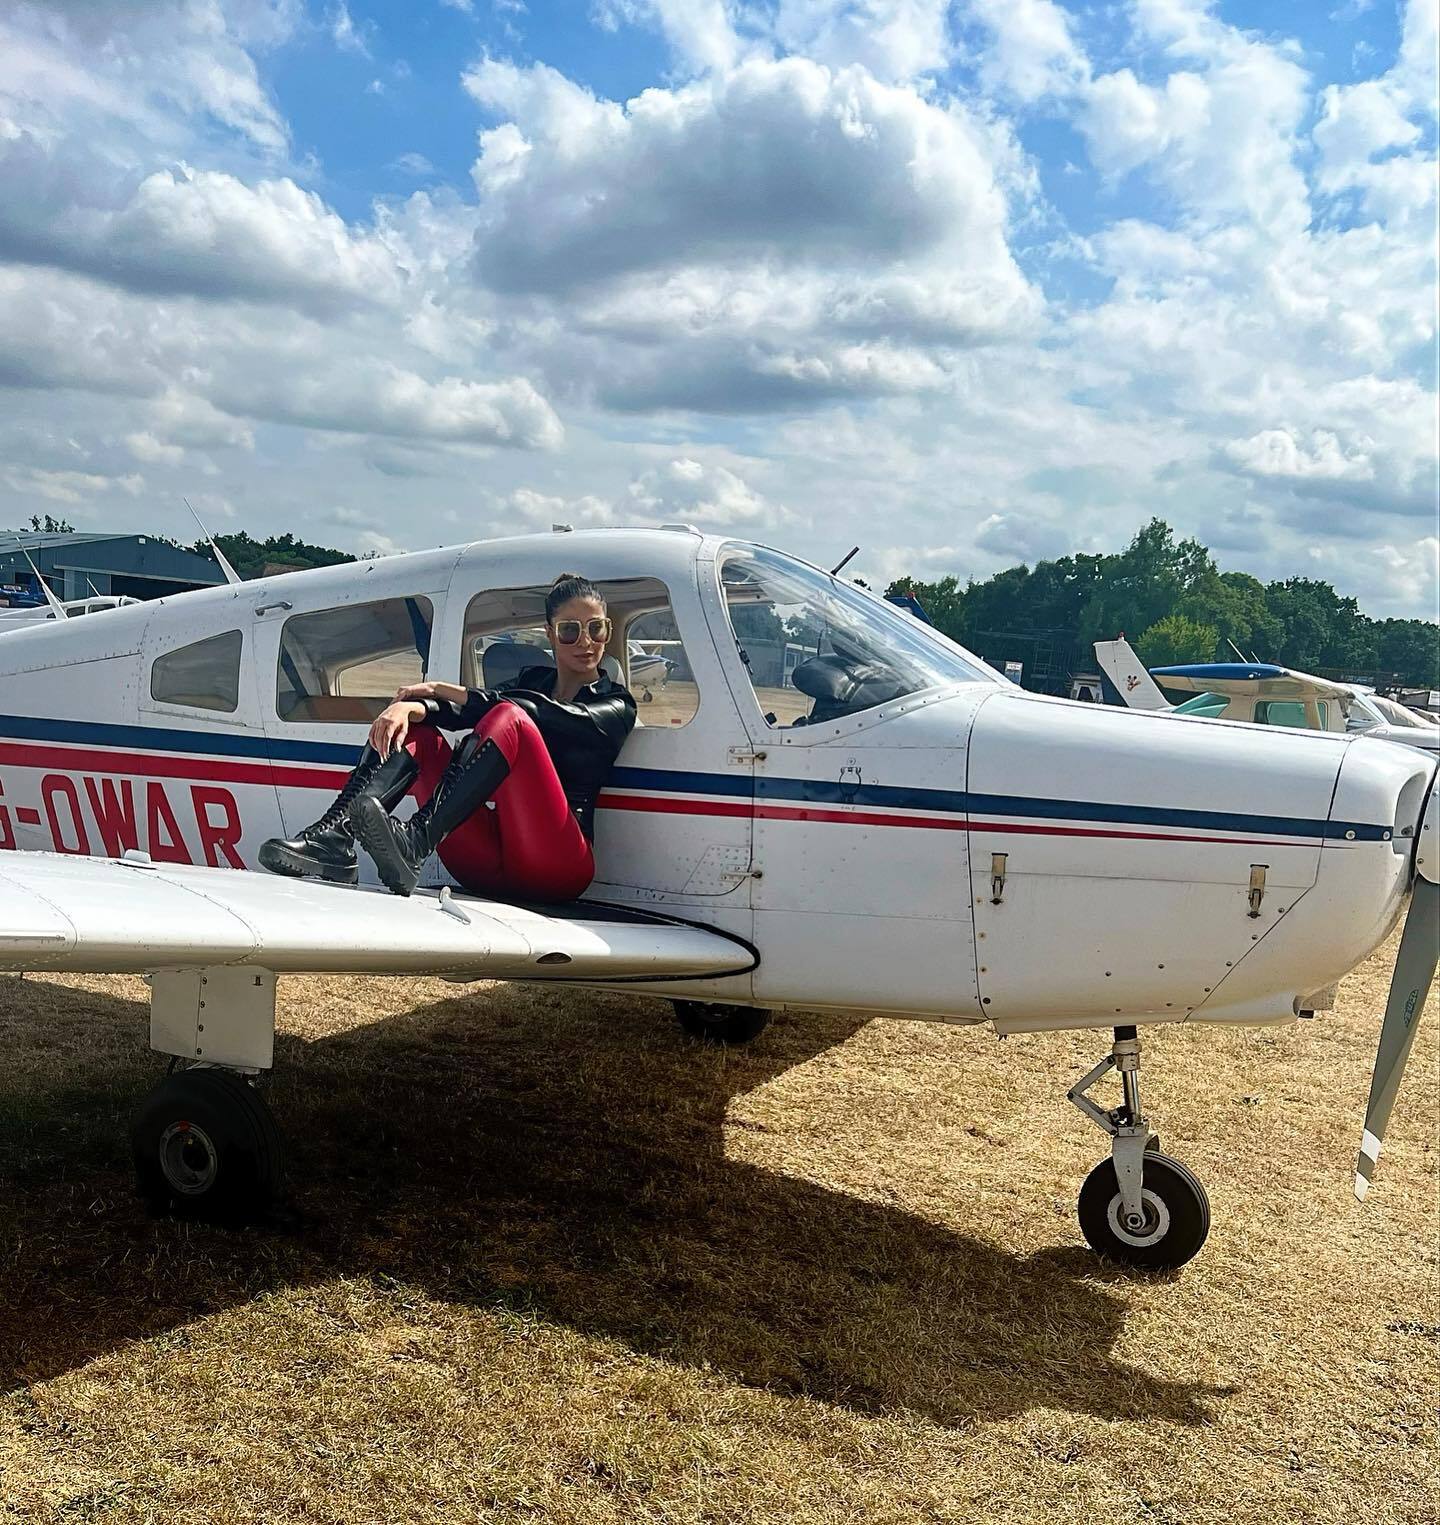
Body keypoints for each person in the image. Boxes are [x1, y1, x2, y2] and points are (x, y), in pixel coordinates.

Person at [258, 574, 636, 902]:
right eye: (570, 630)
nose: (586, 642)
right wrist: (411, 708)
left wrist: (440, 689)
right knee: (416, 730)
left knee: (509, 717)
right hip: (490, 861)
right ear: (550, 634)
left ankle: (416, 841)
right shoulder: (532, 682)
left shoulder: (617, 705)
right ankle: (334, 839)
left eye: (596, 629)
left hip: (558, 866)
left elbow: (543, 714)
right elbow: (471, 710)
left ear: (607, 632)